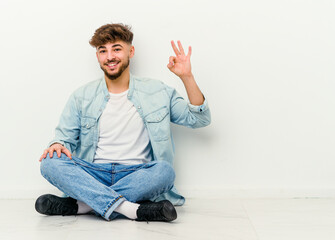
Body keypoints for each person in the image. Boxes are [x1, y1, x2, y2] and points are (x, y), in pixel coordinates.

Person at [35, 23, 211, 222]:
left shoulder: (158, 91)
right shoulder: (81, 96)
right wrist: (58, 144)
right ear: (98, 56)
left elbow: (199, 119)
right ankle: (132, 210)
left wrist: (187, 77)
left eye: (116, 49)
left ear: (131, 51)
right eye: (103, 51)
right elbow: (63, 139)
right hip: (94, 174)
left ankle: (83, 205)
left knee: (165, 172)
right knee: (50, 162)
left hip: (137, 174)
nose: (110, 57)